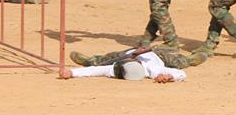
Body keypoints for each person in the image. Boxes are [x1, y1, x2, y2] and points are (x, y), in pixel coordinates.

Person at [61, 47, 194, 82]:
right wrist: (170, 76)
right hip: (156, 55)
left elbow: (95, 70)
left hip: (126, 52)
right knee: (178, 63)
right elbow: (182, 74)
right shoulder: (154, 70)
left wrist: (72, 73)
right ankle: (190, 59)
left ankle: (88, 61)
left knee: (103, 60)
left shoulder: (117, 69)